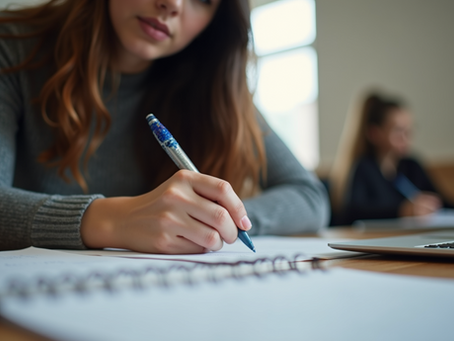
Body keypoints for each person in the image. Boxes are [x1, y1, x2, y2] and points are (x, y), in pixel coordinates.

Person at [0, 0, 329, 253]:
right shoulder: (13, 48)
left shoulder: (211, 86)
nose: (172, 4)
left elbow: (310, 197)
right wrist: (112, 220)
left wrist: (216, 221)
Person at [329, 90, 450, 225]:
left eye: (409, 130)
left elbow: (442, 201)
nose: (406, 138)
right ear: (374, 133)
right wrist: (402, 211)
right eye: (398, 131)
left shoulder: (411, 166)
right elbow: (353, 212)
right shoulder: (363, 168)